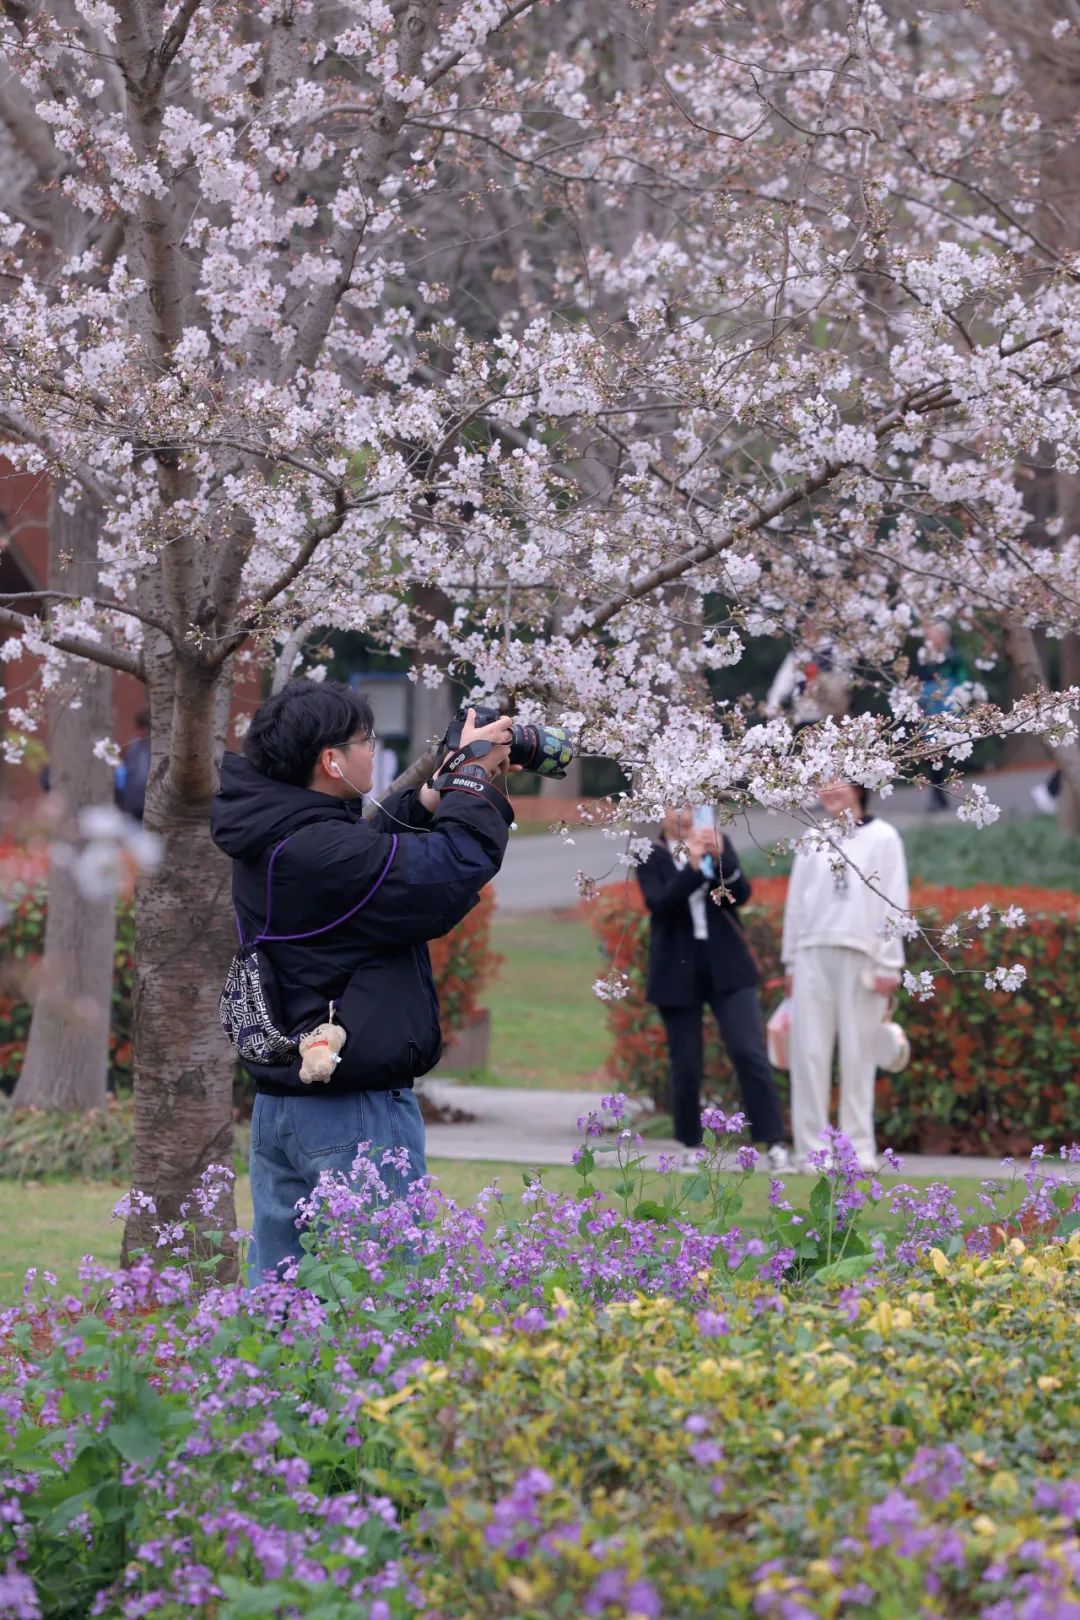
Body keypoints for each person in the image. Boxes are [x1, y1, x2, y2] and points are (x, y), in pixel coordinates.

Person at [210, 679, 515, 1280]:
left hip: (286, 1105)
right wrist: (474, 778)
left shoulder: (273, 831)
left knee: (283, 1300)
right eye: (366, 742)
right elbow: (447, 871)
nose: (373, 752)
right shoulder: (324, 852)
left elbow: (368, 856)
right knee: (379, 1294)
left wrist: (433, 792)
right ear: (331, 761)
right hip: (351, 1112)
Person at [636, 808, 791, 1171]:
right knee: (686, 1061)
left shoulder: (716, 843)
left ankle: (773, 1142)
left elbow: (740, 894)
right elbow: (661, 905)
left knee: (748, 1051)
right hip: (677, 968)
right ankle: (690, 1143)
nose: (684, 814)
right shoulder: (649, 853)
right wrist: (692, 868)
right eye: (675, 804)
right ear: (659, 809)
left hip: (727, 964)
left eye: (692, 804)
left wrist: (722, 860)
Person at [781, 781, 909, 1172]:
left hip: (863, 956)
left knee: (859, 1058)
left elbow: (894, 898)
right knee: (809, 1056)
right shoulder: (812, 837)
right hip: (811, 953)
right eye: (821, 780)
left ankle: (858, 1150)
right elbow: (796, 903)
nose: (828, 789)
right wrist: (790, 961)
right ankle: (812, 1152)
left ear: (859, 785)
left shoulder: (884, 837)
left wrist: (889, 962)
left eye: (838, 779)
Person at [917, 623, 969, 811]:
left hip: (948, 703)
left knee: (945, 748)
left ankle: (941, 792)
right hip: (929, 703)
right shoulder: (923, 656)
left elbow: (962, 679)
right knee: (931, 749)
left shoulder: (953, 657)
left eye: (934, 635)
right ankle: (937, 793)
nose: (930, 640)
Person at [766, 623, 849, 730]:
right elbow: (783, 683)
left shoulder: (833, 648)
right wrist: (774, 704)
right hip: (806, 714)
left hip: (832, 711)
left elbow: (844, 678)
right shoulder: (797, 654)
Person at [117, 709, 151, 822]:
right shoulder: (133, 748)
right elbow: (124, 773)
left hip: (152, 804)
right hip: (133, 803)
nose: (144, 732)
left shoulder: (157, 749)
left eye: (147, 728)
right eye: (141, 728)